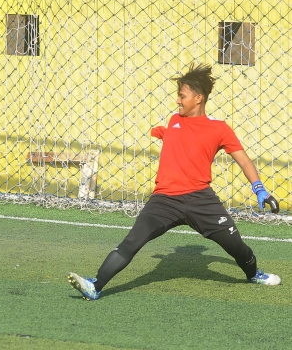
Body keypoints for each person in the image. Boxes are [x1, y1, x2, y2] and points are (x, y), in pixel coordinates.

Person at [68, 63, 281, 301]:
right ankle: (95, 286)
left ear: (198, 98)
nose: (178, 101)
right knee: (131, 242)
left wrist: (259, 189)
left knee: (237, 248)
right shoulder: (174, 121)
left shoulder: (220, 128)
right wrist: (163, 132)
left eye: (182, 96)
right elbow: (178, 137)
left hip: (202, 201)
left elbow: (243, 161)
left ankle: (253, 274)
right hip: (164, 201)